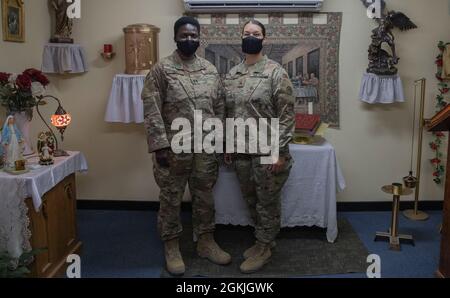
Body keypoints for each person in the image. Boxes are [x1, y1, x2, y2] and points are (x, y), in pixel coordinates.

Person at [141, 16, 230, 276]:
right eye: (184, 35)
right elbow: (151, 108)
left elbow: (220, 106)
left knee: (204, 195)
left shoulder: (210, 69)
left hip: (205, 147)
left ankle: (206, 241)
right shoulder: (161, 69)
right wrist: (159, 146)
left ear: (199, 38)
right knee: (171, 198)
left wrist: (220, 139)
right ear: (175, 37)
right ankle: (171, 246)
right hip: (173, 148)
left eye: (193, 36)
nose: (189, 39)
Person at [224, 20, 295, 273]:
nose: (251, 37)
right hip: (242, 150)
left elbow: (286, 115)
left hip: (267, 150)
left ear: (264, 39)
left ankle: (264, 248)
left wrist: (280, 152)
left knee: (267, 202)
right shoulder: (233, 74)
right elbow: (229, 112)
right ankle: (263, 240)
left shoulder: (276, 72)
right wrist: (229, 145)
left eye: (256, 34)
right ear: (240, 37)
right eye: (246, 33)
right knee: (251, 199)